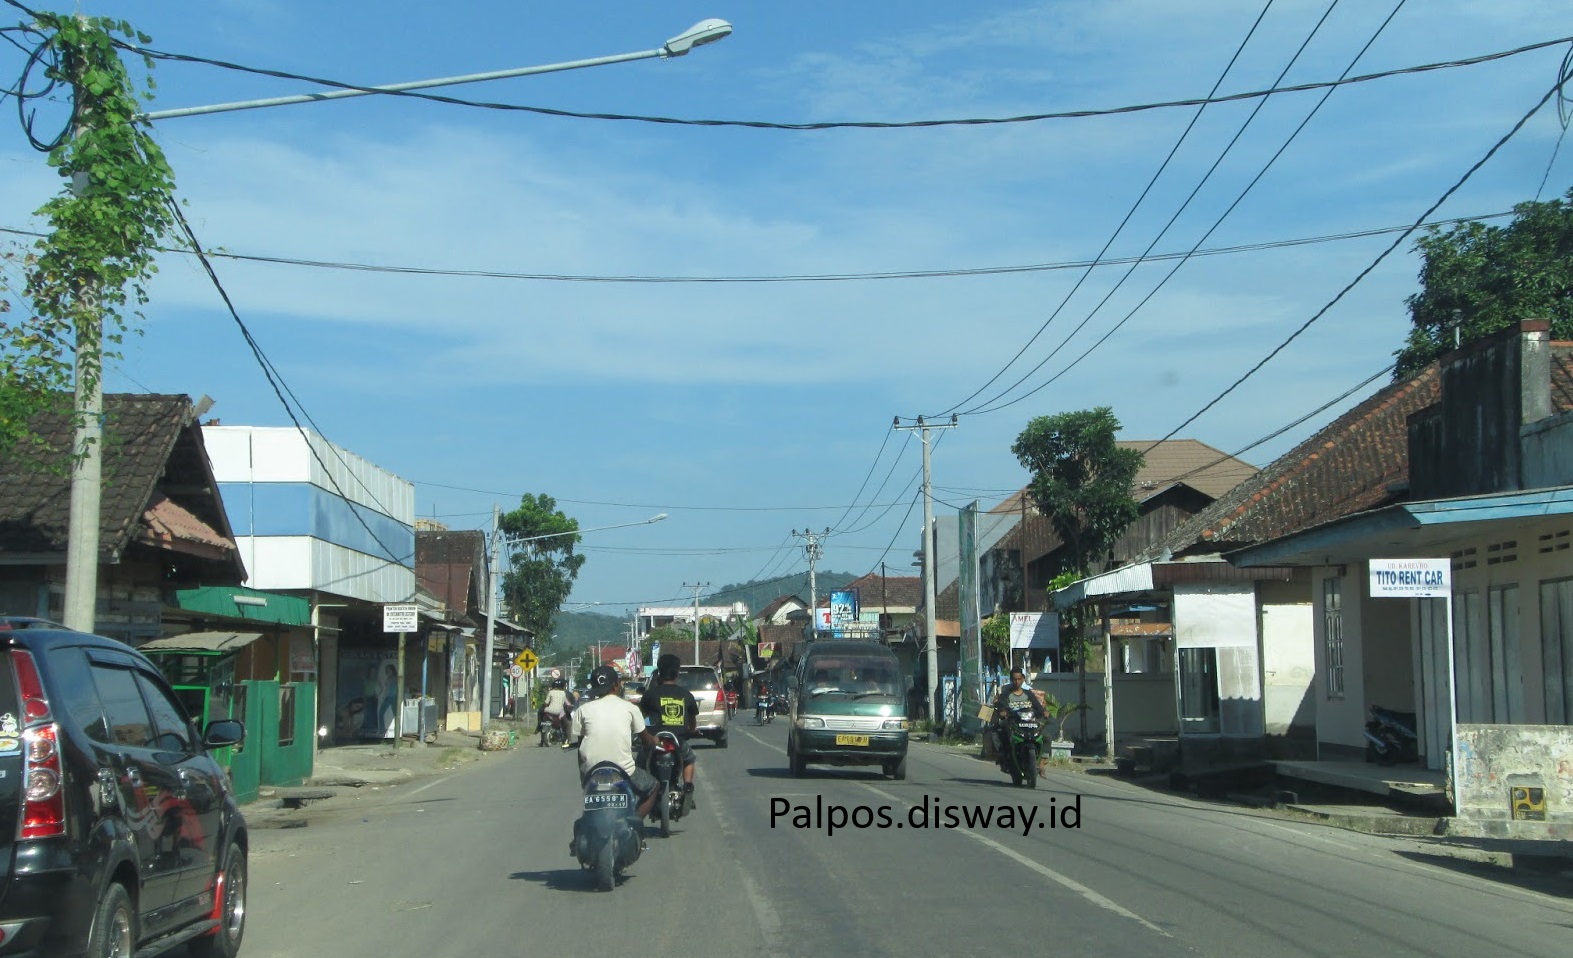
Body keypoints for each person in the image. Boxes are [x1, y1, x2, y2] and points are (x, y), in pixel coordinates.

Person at [570, 666, 659, 819]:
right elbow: (646, 739)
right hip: (625, 770)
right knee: (654, 787)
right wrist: (655, 740)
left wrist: (584, 776)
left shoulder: (583, 710)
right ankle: (634, 823)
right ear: (616, 685)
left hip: (592, 772)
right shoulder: (630, 708)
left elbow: (580, 745)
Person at [639, 654, 699, 802]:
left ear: (659, 673)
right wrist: (692, 731)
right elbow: (692, 720)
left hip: (655, 741)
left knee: (639, 762)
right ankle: (688, 786)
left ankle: (640, 792)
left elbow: (642, 717)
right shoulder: (686, 695)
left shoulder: (650, 694)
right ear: (677, 673)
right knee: (689, 759)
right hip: (678, 741)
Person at [990, 668, 1047, 761]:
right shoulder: (1006, 693)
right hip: (1012, 721)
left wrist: (1044, 712)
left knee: (1046, 737)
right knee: (996, 733)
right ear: (1011, 679)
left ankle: (1041, 762)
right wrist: (1002, 711)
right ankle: (1004, 756)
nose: (1017, 682)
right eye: (1014, 679)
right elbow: (1000, 704)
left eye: (1019, 679)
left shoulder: (1028, 693)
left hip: (1029, 722)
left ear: (1023, 679)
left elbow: (1037, 706)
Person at [539, 677, 577, 748]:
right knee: (568, 724)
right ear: (563, 686)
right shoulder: (563, 693)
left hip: (548, 711)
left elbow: (546, 702)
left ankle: (541, 739)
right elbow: (568, 703)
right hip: (559, 712)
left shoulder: (550, 692)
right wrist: (571, 706)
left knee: (541, 720)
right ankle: (569, 740)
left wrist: (545, 706)